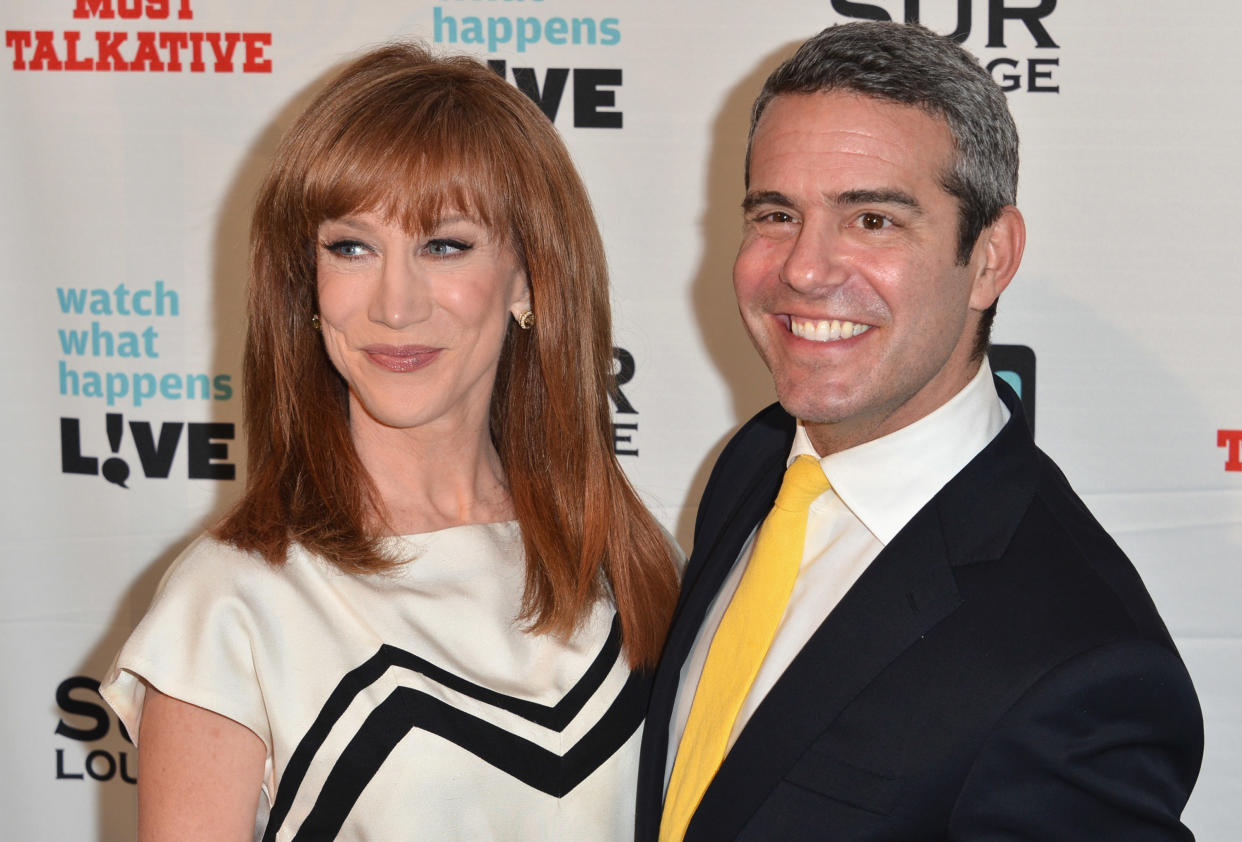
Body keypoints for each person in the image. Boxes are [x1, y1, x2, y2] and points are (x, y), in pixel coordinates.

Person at [637, 21, 1202, 842]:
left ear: (991, 258)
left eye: (872, 220)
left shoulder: (1078, 662)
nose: (802, 267)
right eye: (775, 214)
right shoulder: (758, 460)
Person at [100, 43, 679, 841]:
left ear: (527, 276)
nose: (395, 305)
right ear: (306, 284)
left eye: (445, 245)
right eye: (351, 247)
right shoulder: (233, 605)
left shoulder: (631, 562)